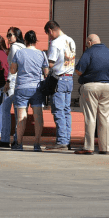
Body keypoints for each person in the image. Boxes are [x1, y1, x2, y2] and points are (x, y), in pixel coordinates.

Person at [74, 34, 109, 155]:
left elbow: (79, 70)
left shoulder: (89, 52)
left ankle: (88, 147)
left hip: (91, 87)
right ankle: (105, 148)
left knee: (90, 117)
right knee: (105, 118)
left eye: (87, 42)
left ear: (90, 42)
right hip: (108, 87)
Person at [10, 30, 48, 151]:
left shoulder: (19, 53)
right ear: (35, 40)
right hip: (37, 88)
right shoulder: (42, 54)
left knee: (21, 117)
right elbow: (46, 72)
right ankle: (37, 144)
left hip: (22, 87)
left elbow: (12, 71)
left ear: (25, 40)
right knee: (38, 116)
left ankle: (19, 143)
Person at [44, 21, 76, 150]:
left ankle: (62, 141)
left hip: (59, 79)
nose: (49, 37)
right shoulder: (71, 40)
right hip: (69, 78)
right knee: (66, 111)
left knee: (58, 111)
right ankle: (66, 140)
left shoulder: (55, 43)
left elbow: (50, 63)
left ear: (50, 31)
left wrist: (44, 60)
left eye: (48, 34)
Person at [0, 27, 26, 148]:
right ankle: (17, 139)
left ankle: (5, 139)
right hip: (22, 83)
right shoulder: (24, 48)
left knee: (5, 110)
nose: (8, 38)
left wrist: (7, 82)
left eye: (10, 35)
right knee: (19, 112)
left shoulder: (14, 48)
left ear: (16, 36)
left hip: (13, 83)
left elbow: (12, 68)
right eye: (7, 35)